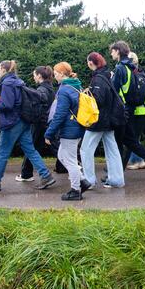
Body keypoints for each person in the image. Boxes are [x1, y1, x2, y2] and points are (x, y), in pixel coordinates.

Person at [0, 60, 56, 192]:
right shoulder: (18, 82)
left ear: (4, 70)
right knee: (30, 150)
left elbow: (7, 105)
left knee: (3, 153)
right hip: (23, 120)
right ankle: (46, 176)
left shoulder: (7, 83)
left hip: (11, 122)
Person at [109, 41, 145, 178]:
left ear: (118, 51)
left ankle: (115, 175)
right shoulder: (131, 67)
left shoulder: (121, 67)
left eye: (112, 51)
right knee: (130, 141)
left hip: (122, 110)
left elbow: (114, 90)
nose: (111, 53)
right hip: (130, 108)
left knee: (119, 142)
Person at [80, 52, 126, 189]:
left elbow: (99, 100)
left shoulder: (98, 79)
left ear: (90, 63)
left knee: (85, 150)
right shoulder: (107, 75)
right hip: (109, 120)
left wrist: (86, 94)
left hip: (99, 121)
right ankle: (117, 180)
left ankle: (89, 181)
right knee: (112, 149)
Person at [45, 62, 86, 201]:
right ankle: (83, 181)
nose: (54, 76)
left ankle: (76, 190)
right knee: (62, 156)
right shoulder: (76, 85)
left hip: (69, 130)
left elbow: (59, 114)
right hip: (77, 127)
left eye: (56, 73)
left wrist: (49, 133)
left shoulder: (63, 90)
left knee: (70, 160)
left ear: (62, 74)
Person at [18, 66, 56, 182]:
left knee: (31, 148)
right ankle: (26, 173)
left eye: (34, 74)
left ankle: (26, 174)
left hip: (40, 123)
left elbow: (40, 100)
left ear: (39, 76)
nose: (33, 77)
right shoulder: (49, 88)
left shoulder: (42, 90)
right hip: (47, 122)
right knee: (53, 147)